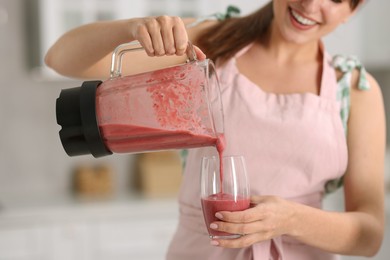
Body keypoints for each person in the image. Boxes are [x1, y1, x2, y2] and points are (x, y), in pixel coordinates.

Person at [45, 0, 386, 259]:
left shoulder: (355, 90)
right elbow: (60, 58)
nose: (311, 5)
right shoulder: (213, 42)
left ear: (352, 12)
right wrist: (134, 29)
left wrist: (290, 220)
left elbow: (370, 235)